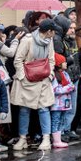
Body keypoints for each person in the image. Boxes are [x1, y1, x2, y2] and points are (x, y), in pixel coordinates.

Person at [11, 20, 57, 152]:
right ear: (49, 31)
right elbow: (18, 59)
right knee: (24, 109)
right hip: (27, 79)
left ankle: (46, 138)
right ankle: (22, 138)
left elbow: (51, 59)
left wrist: (50, 74)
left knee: (44, 109)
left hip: (43, 78)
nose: (54, 33)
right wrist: (22, 76)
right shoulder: (28, 40)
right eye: (53, 31)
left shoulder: (49, 41)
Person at [49, 53, 74, 149]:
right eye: (64, 62)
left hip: (65, 103)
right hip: (57, 104)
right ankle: (55, 140)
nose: (66, 63)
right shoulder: (55, 76)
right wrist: (69, 87)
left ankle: (58, 138)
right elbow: (55, 90)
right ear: (58, 64)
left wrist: (70, 87)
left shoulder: (66, 74)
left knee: (62, 121)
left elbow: (70, 84)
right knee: (56, 120)